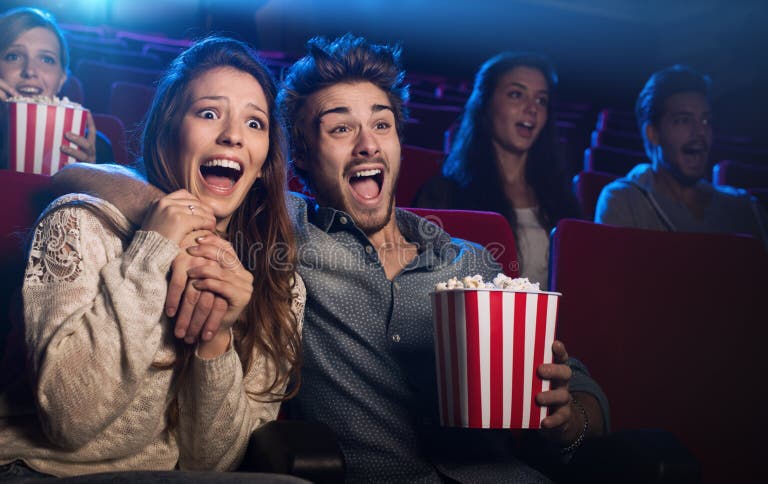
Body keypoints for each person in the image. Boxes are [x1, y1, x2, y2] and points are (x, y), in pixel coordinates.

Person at [49, 34, 610, 483]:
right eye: (341, 128)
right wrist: (172, 215)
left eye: (382, 125)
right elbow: (77, 177)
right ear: (300, 158)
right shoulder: (279, 229)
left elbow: (585, 397)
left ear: (397, 144)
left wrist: (565, 422)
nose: (367, 144)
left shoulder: (471, 263)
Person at [0, 36, 304, 480]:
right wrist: (151, 255)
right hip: (25, 467)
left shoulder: (279, 284)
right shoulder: (78, 223)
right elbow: (70, 421)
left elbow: (211, 464)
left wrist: (216, 338)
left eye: (255, 123)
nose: (233, 136)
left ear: (263, 165)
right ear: (166, 134)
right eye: (208, 113)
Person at [413, 52, 580, 286]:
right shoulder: (444, 194)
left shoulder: (563, 201)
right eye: (516, 94)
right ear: (486, 104)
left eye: (541, 100)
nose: (532, 108)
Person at [595, 65, 768, 245]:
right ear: (653, 133)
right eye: (683, 121)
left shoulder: (745, 207)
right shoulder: (624, 201)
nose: (700, 132)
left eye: (705, 120)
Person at [0, 7, 113, 168]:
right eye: (13, 56)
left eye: (46, 59)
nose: (30, 70)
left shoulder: (93, 150)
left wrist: (88, 178)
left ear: (61, 79)